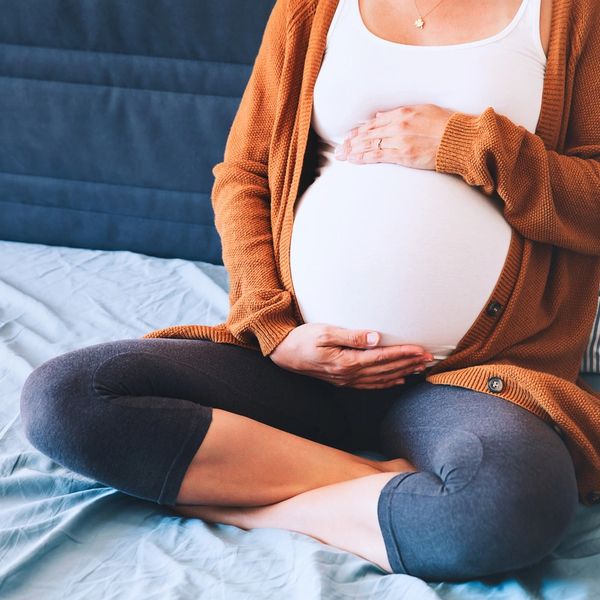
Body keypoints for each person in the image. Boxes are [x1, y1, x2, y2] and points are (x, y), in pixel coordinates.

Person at [20, 0, 600, 582]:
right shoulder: (312, 7)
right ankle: (378, 485)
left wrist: (470, 145)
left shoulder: (573, 14)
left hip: (470, 377)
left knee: (506, 509)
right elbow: (243, 175)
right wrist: (275, 332)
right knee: (67, 399)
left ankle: (246, 498)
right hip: (301, 365)